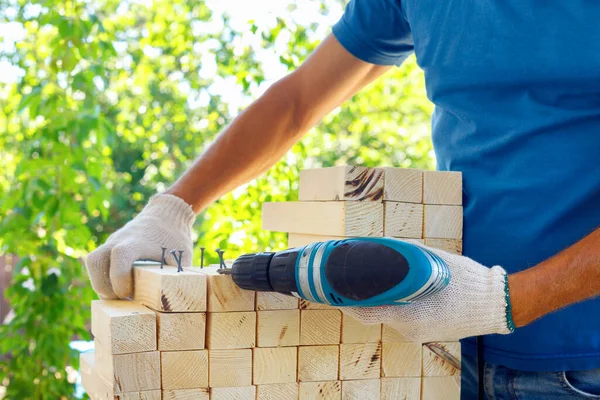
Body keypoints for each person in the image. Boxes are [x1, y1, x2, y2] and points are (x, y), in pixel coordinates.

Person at [85, 1, 600, 398]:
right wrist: (174, 206)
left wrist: (505, 300)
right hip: (449, 352)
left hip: (585, 363)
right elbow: (297, 100)